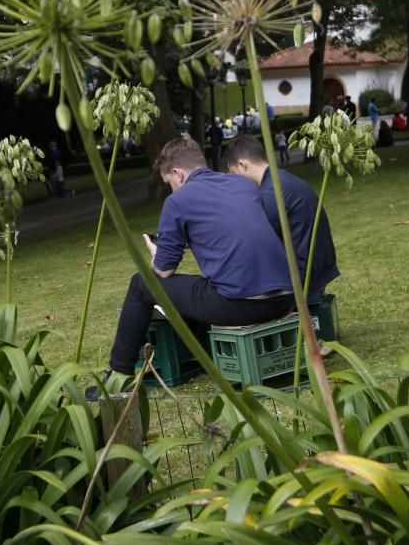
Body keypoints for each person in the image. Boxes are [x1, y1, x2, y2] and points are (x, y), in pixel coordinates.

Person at [103, 138, 294, 377]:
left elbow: (163, 271)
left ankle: (118, 372)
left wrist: (156, 254)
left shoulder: (178, 201)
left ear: (178, 174)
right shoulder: (241, 184)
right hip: (287, 298)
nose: (170, 190)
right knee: (198, 286)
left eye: (169, 184)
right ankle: (200, 352)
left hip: (244, 305)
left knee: (141, 284)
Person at [227, 135, 339, 305]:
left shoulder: (271, 193)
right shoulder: (280, 178)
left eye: (234, 174)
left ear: (243, 165)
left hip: (306, 278)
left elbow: (255, 243)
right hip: (318, 269)